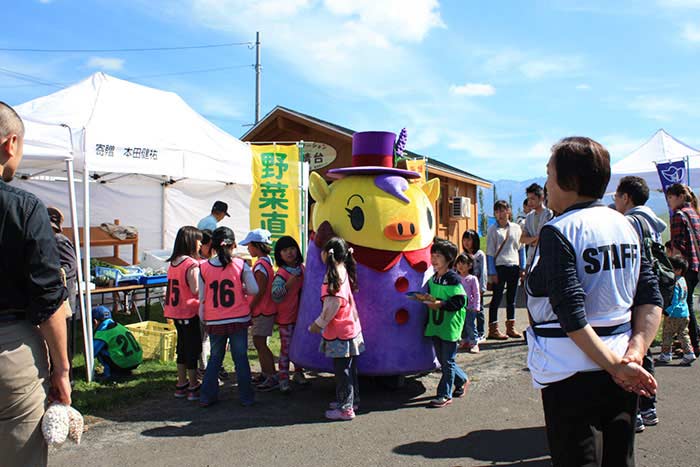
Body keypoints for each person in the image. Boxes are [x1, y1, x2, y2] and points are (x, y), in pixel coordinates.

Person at [526, 136, 662, 466]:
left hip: (568, 370)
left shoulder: (559, 230)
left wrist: (617, 365)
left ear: (569, 181)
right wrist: (634, 354)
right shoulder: (627, 226)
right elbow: (650, 295)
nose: (546, 184)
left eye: (549, 174)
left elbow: (570, 312)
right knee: (619, 457)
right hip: (622, 363)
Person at [0, 102, 71, 467]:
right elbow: (48, 298)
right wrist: (62, 368)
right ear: (10, 144)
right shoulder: (24, 207)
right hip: (10, 349)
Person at [614, 175, 667, 432]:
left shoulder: (630, 222)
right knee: (643, 349)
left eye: (616, 196)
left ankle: (633, 410)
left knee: (631, 351)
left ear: (626, 197)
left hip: (634, 290)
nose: (615, 201)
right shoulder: (653, 222)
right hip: (652, 291)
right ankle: (649, 407)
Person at [198, 227, 258, 407]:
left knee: (216, 357)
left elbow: (202, 297)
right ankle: (246, 397)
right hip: (238, 317)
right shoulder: (241, 265)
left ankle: (207, 396)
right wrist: (242, 289)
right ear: (233, 245)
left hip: (214, 319)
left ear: (212, 247)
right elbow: (254, 289)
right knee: (240, 357)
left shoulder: (204, 267)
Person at [309, 237, 364, 421]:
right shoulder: (342, 270)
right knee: (349, 370)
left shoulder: (333, 276)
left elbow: (332, 305)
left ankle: (346, 408)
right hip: (350, 328)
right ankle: (351, 400)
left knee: (343, 373)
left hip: (340, 332)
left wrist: (318, 324)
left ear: (327, 254)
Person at [416, 238, 469, 408]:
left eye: (438, 256)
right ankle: (462, 379)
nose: (434, 259)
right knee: (444, 360)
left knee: (447, 361)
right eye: (432, 255)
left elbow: (460, 301)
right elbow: (434, 297)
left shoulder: (453, 279)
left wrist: (441, 304)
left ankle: (444, 394)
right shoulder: (433, 278)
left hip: (450, 326)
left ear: (448, 259)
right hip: (436, 324)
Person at [164, 226, 203, 401]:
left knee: (182, 347)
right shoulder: (191, 264)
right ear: (191, 241)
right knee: (192, 348)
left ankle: (181, 383)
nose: (201, 244)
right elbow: (196, 289)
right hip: (189, 311)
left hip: (175, 311)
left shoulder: (173, 262)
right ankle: (194, 385)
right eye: (199, 240)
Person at [238, 228, 278, 391]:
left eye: (249, 245)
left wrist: (251, 307)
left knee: (260, 343)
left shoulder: (261, 265)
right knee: (259, 342)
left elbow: (260, 291)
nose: (248, 249)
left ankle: (271, 376)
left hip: (262, 310)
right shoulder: (266, 261)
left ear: (257, 246)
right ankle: (266, 373)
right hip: (265, 308)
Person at [666, 183, 700, 357]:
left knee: (685, 304)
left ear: (680, 196)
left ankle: (694, 343)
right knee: (687, 304)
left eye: (670, 198)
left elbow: (678, 246)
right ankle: (692, 340)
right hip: (696, 264)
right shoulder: (694, 212)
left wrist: (673, 265)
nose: (669, 202)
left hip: (685, 266)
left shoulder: (678, 215)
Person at [271, 235, 308, 392]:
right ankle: (283, 378)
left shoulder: (303, 268)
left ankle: (298, 373)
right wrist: (287, 285)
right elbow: (275, 295)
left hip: (301, 317)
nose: (289, 252)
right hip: (287, 318)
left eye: (292, 248)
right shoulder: (281, 273)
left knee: (300, 347)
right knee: (286, 350)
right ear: (279, 255)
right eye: (285, 250)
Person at [47, 206, 79, 381]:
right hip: (55, 300)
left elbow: (70, 266)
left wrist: (51, 273)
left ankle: (69, 379)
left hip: (64, 301)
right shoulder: (47, 239)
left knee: (64, 346)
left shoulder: (59, 240)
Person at [486, 200, 525, 340]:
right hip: (499, 267)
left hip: (514, 266)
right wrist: (492, 272)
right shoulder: (492, 230)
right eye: (497, 211)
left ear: (508, 211)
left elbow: (521, 249)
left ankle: (511, 327)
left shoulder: (516, 228)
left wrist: (523, 267)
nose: (500, 214)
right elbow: (489, 253)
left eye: (503, 210)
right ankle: (493, 329)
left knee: (511, 299)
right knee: (496, 299)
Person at [656, 255, 696, 366]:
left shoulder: (674, 283)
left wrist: (668, 310)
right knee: (683, 334)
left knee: (667, 334)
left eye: (671, 268)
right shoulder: (683, 281)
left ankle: (665, 354)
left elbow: (674, 299)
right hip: (684, 312)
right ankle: (689, 353)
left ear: (678, 270)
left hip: (674, 313)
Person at [92, 306, 143, 380]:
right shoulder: (120, 326)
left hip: (123, 363)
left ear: (95, 321)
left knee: (101, 351)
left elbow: (91, 353)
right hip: (138, 359)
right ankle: (124, 370)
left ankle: (108, 374)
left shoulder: (102, 334)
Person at [462, 229, 487, 342]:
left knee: (479, 309)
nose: (466, 242)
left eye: (469, 240)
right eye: (464, 239)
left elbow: (483, 271)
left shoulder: (479, 254)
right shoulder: (463, 255)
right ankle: (467, 334)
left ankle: (481, 332)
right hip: (466, 288)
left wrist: (482, 288)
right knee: (467, 311)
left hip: (476, 287)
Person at [520, 183, 553, 268]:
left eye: (533, 199)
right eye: (528, 199)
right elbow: (522, 239)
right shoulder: (529, 217)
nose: (530, 202)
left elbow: (546, 237)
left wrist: (531, 240)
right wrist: (535, 239)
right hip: (530, 258)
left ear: (541, 198)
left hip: (545, 257)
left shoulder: (549, 214)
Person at [455, 253, 481, 353]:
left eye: (463, 263)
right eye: (458, 263)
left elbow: (476, 293)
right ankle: (464, 341)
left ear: (469, 265)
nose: (460, 266)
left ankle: (474, 342)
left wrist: (476, 306)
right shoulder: (455, 278)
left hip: (470, 307)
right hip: (459, 307)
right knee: (461, 325)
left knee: (470, 325)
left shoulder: (472, 279)